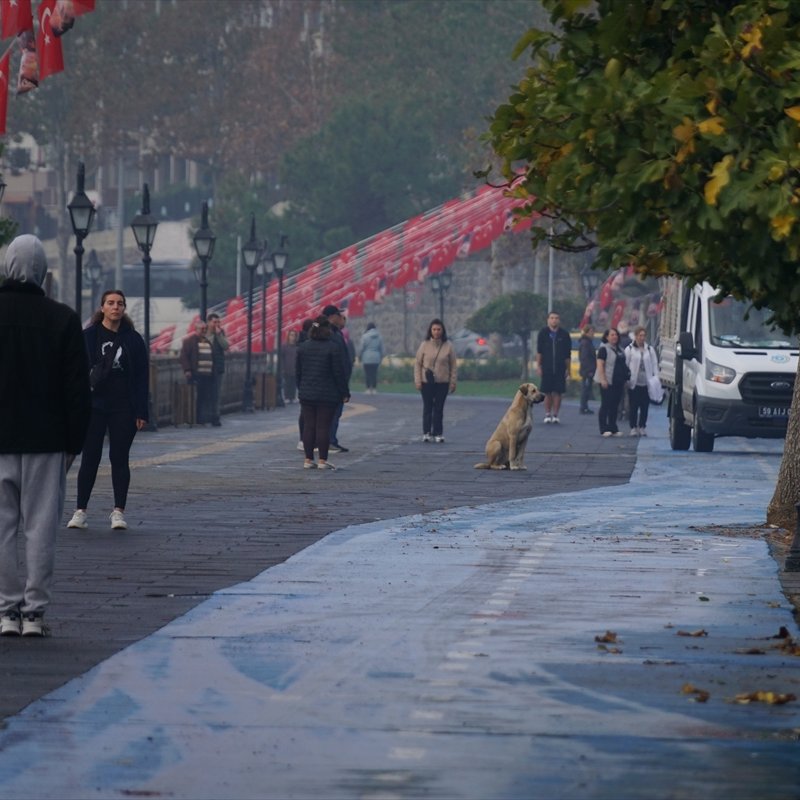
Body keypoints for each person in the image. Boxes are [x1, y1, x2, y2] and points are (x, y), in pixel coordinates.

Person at [0, 235, 91, 636]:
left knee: (1, 528)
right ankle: (35, 613)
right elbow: (77, 389)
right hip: (46, 439)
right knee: (40, 526)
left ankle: (6, 610)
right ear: (41, 272)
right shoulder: (63, 319)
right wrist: (75, 442)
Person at [67, 289, 149, 532]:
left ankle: (118, 511)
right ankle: (80, 510)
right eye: (111, 303)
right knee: (90, 457)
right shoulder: (88, 336)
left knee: (119, 457)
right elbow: (76, 372)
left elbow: (142, 378)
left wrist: (142, 412)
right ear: (102, 307)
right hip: (94, 405)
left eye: (120, 304)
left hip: (124, 406)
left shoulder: (133, 340)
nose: (116, 307)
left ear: (124, 309)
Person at [296, 316, 350, 470]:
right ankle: (322, 460)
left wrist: (302, 388)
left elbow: (298, 372)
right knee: (323, 427)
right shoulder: (333, 348)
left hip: (307, 393)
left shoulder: (303, 347)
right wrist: (344, 392)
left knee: (309, 426)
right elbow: (338, 373)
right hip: (327, 394)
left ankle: (307, 459)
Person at [414, 318, 457, 443]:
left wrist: (453, 381)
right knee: (428, 407)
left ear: (442, 331)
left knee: (439, 408)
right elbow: (417, 363)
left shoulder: (448, 346)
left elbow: (453, 365)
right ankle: (426, 432)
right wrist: (417, 380)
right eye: (434, 329)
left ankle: (438, 432)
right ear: (430, 331)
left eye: (439, 329)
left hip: (442, 382)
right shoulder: (424, 345)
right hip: (426, 381)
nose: (436, 332)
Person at [323, 305, 352, 453]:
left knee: (335, 413)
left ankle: (330, 439)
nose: (342, 319)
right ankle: (329, 440)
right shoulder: (329, 333)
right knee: (332, 413)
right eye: (339, 316)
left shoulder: (336, 333)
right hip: (333, 381)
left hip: (337, 380)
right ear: (332, 317)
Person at [535, 311, 572, 423]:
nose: (554, 320)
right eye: (552, 318)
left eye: (556, 318)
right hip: (547, 367)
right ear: (548, 320)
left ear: (559, 320)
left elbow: (567, 354)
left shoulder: (564, 335)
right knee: (547, 391)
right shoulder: (543, 333)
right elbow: (539, 352)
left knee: (558, 392)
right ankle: (547, 414)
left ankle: (555, 414)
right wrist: (539, 366)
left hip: (560, 367)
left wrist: (568, 369)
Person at [625, 325, 659, 436]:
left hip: (646, 382)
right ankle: (633, 427)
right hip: (634, 383)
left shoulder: (650, 349)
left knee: (645, 406)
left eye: (644, 335)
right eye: (640, 335)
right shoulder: (629, 349)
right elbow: (626, 364)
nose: (642, 338)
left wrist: (656, 378)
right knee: (633, 406)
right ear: (635, 336)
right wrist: (626, 379)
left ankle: (642, 426)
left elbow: (654, 364)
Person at [179, 320, 214, 425]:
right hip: (195, 374)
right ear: (196, 329)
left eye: (205, 329)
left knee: (204, 397)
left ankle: (201, 418)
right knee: (195, 397)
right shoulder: (189, 341)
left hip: (207, 374)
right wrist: (187, 370)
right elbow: (183, 357)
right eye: (202, 329)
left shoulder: (207, 341)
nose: (204, 331)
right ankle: (194, 418)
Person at [595, 328, 628, 437]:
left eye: (616, 335)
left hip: (618, 381)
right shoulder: (603, 349)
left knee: (615, 405)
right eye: (612, 335)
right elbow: (600, 365)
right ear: (607, 337)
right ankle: (603, 428)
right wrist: (603, 379)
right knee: (606, 404)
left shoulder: (621, 350)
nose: (614, 337)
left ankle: (613, 427)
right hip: (607, 380)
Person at [206, 313, 229, 426]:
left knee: (216, 393)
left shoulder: (220, 333)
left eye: (218, 322)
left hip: (217, 368)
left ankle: (215, 416)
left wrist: (219, 336)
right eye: (214, 322)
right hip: (205, 368)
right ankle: (205, 416)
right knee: (206, 393)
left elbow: (226, 346)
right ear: (209, 322)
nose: (217, 325)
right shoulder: (204, 334)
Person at [359, 322, 384, 394]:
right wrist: (381, 357)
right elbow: (381, 348)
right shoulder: (379, 337)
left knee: (367, 373)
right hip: (376, 357)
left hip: (366, 357)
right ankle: (374, 388)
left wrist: (360, 356)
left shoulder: (365, 336)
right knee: (374, 373)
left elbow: (362, 348)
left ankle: (368, 388)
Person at [578, 324, 597, 415]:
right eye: (591, 332)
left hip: (588, 369)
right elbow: (584, 358)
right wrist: (589, 370)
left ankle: (585, 406)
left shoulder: (587, 342)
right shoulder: (586, 343)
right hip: (587, 370)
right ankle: (583, 407)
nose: (593, 334)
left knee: (587, 388)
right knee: (585, 388)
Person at [281, 329, 299, 403]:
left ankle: (293, 396)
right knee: (287, 383)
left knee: (293, 383)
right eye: (291, 335)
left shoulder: (297, 347)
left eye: (294, 335)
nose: (293, 337)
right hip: (287, 367)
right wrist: (282, 367)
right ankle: (287, 397)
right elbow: (281, 357)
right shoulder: (284, 346)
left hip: (295, 368)